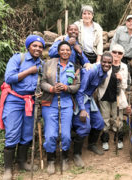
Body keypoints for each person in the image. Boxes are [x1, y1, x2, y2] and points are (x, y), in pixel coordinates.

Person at [0, 35, 45, 180]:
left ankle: (22, 162)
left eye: (40, 46)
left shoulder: (42, 64)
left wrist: (39, 92)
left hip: (31, 101)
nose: (37, 49)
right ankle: (7, 169)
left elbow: (42, 82)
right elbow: (9, 78)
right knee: (12, 132)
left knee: (27, 133)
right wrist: (29, 71)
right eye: (35, 45)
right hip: (14, 100)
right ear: (28, 46)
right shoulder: (18, 58)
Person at [41, 41, 80, 174]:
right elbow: (42, 82)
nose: (65, 52)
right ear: (58, 51)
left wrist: (66, 88)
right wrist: (52, 88)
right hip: (50, 103)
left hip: (66, 103)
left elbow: (77, 86)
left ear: (70, 52)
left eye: (67, 50)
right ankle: (51, 160)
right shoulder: (49, 64)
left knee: (66, 134)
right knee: (50, 134)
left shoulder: (74, 67)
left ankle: (64, 158)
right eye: (62, 50)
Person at [72, 52, 113, 167]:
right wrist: (82, 109)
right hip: (81, 100)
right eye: (104, 61)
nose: (106, 64)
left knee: (100, 123)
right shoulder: (91, 71)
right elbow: (80, 92)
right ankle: (76, 154)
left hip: (89, 99)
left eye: (109, 63)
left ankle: (91, 144)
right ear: (100, 61)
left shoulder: (105, 73)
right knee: (85, 126)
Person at [97, 44, 128, 151]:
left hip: (117, 96)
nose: (117, 55)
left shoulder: (124, 67)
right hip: (104, 94)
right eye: (114, 52)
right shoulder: (104, 63)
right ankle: (105, 139)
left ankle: (118, 138)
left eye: (119, 53)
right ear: (111, 53)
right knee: (105, 118)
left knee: (117, 118)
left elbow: (125, 86)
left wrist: (121, 79)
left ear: (122, 55)